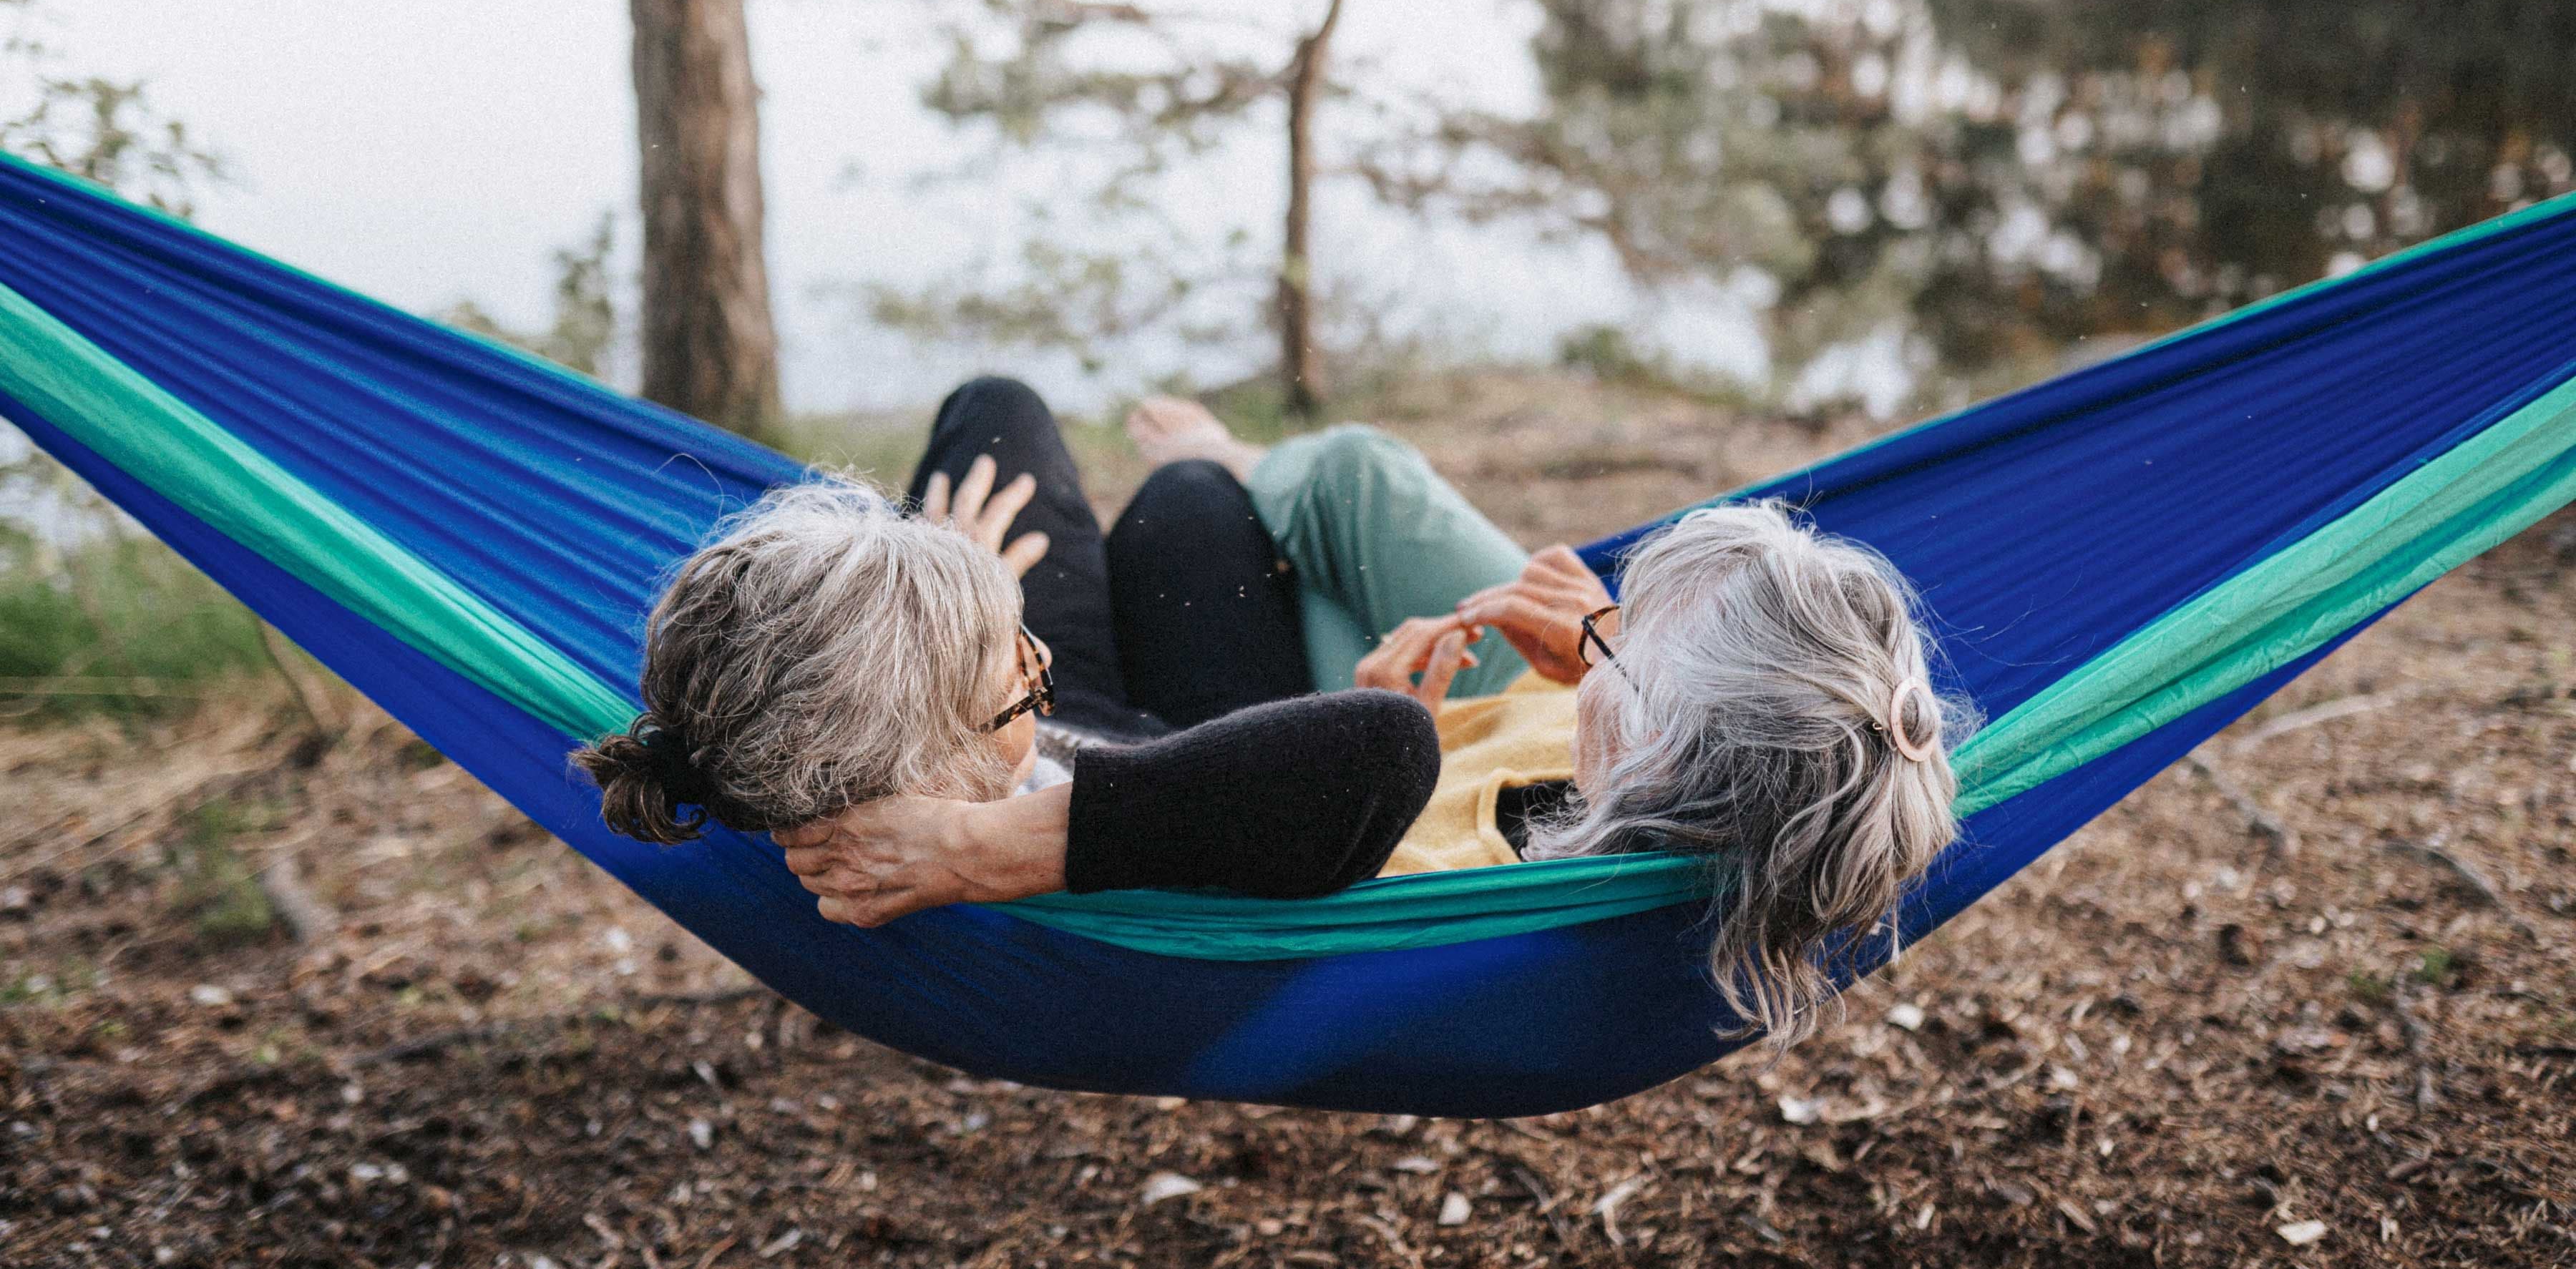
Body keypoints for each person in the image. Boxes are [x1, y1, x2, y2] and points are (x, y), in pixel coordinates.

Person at [576, 377, 1974, 1043]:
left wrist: (982, 810)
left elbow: (1370, 757)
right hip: (1128, 752)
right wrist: (960, 612)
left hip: (1093, 781)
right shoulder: (1651, 775)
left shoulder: (1540, 907)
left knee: (1040, 450)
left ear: (1663, 752)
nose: (1585, 619)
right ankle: (1025, 585)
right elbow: (1376, 740)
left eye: (1619, 644)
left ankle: (963, 634)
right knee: (1165, 489)